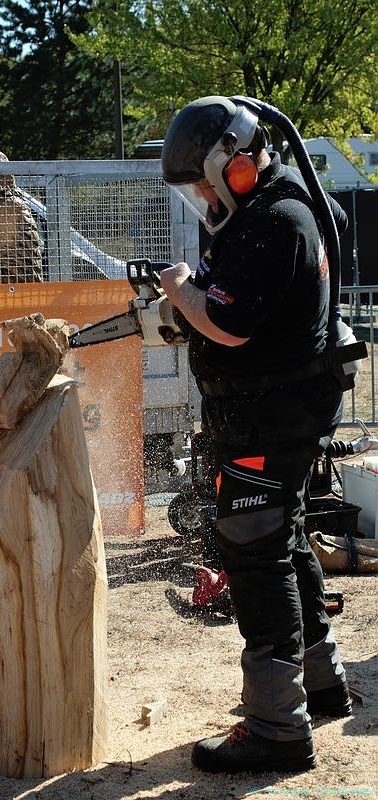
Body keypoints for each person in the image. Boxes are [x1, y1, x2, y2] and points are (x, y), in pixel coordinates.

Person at [159, 96, 352, 775]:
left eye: (206, 183)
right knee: (282, 538)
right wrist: (193, 299)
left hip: (269, 414)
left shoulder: (274, 219)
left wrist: (180, 292)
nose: (205, 199)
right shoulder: (272, 207)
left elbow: (229, 323)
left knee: (254, 555)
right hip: (277, 407)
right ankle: (320, 685)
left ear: (236, 161)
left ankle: (276, 728)